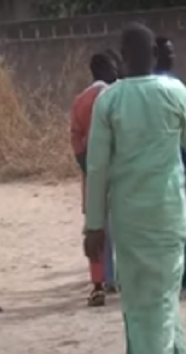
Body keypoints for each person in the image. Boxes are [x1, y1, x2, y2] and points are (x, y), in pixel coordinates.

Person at [84, 23, 186, 354]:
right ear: (154, 53)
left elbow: (96, 167)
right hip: (166, 209)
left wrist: (93, 224)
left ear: (123, 56)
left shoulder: (109, 101)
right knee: (163, 295)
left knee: (136, 296)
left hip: (127, 215)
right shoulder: (175, 91)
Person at [71, 52, 119, 306]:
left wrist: (88, 168)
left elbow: (76, 140)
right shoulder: (117, 96)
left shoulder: (80, 100)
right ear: (109, 68)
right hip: (119, 171)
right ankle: (120, 278)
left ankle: (99, 282)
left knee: (95, 225)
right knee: (121, 225)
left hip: (92, 173)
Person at [155, 37, 186, 288]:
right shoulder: (174, 87)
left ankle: (180, 273)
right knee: (178, 224)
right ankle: (184, 273)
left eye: (172, 52)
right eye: (167, 52)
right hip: (173, 164)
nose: (172, 56)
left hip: (165, 166)